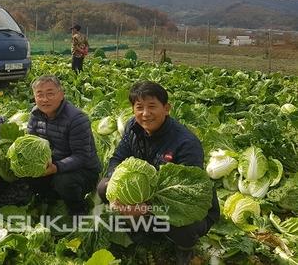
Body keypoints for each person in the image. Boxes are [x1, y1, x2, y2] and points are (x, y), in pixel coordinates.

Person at [96, 81, 220, 265]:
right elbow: (117, 158)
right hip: (142, 195)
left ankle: (184, 248)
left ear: (167, 108)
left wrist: (144, 209)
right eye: (139, 107)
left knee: (184, 225)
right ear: (133, 110)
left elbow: (190, 191)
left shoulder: (185, 142)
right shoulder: (132, 127)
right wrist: (116, 186)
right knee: (103, 187)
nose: (145, 114)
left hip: (183, 203)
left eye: (152, 106)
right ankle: (145, 231)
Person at [27, 75, 101, 215]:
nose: (45, 99)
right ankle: (50, 199)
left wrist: (56, 168)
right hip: (51, 164)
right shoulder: (35, 114)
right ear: (34, 97)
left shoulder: (77, 119)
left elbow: (81, 156)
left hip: (83, 170)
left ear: (61, 94)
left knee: (63, 182)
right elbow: (30, 141)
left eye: (50, 93)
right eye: (40, 94)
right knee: (25, 173)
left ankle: (79, 211)